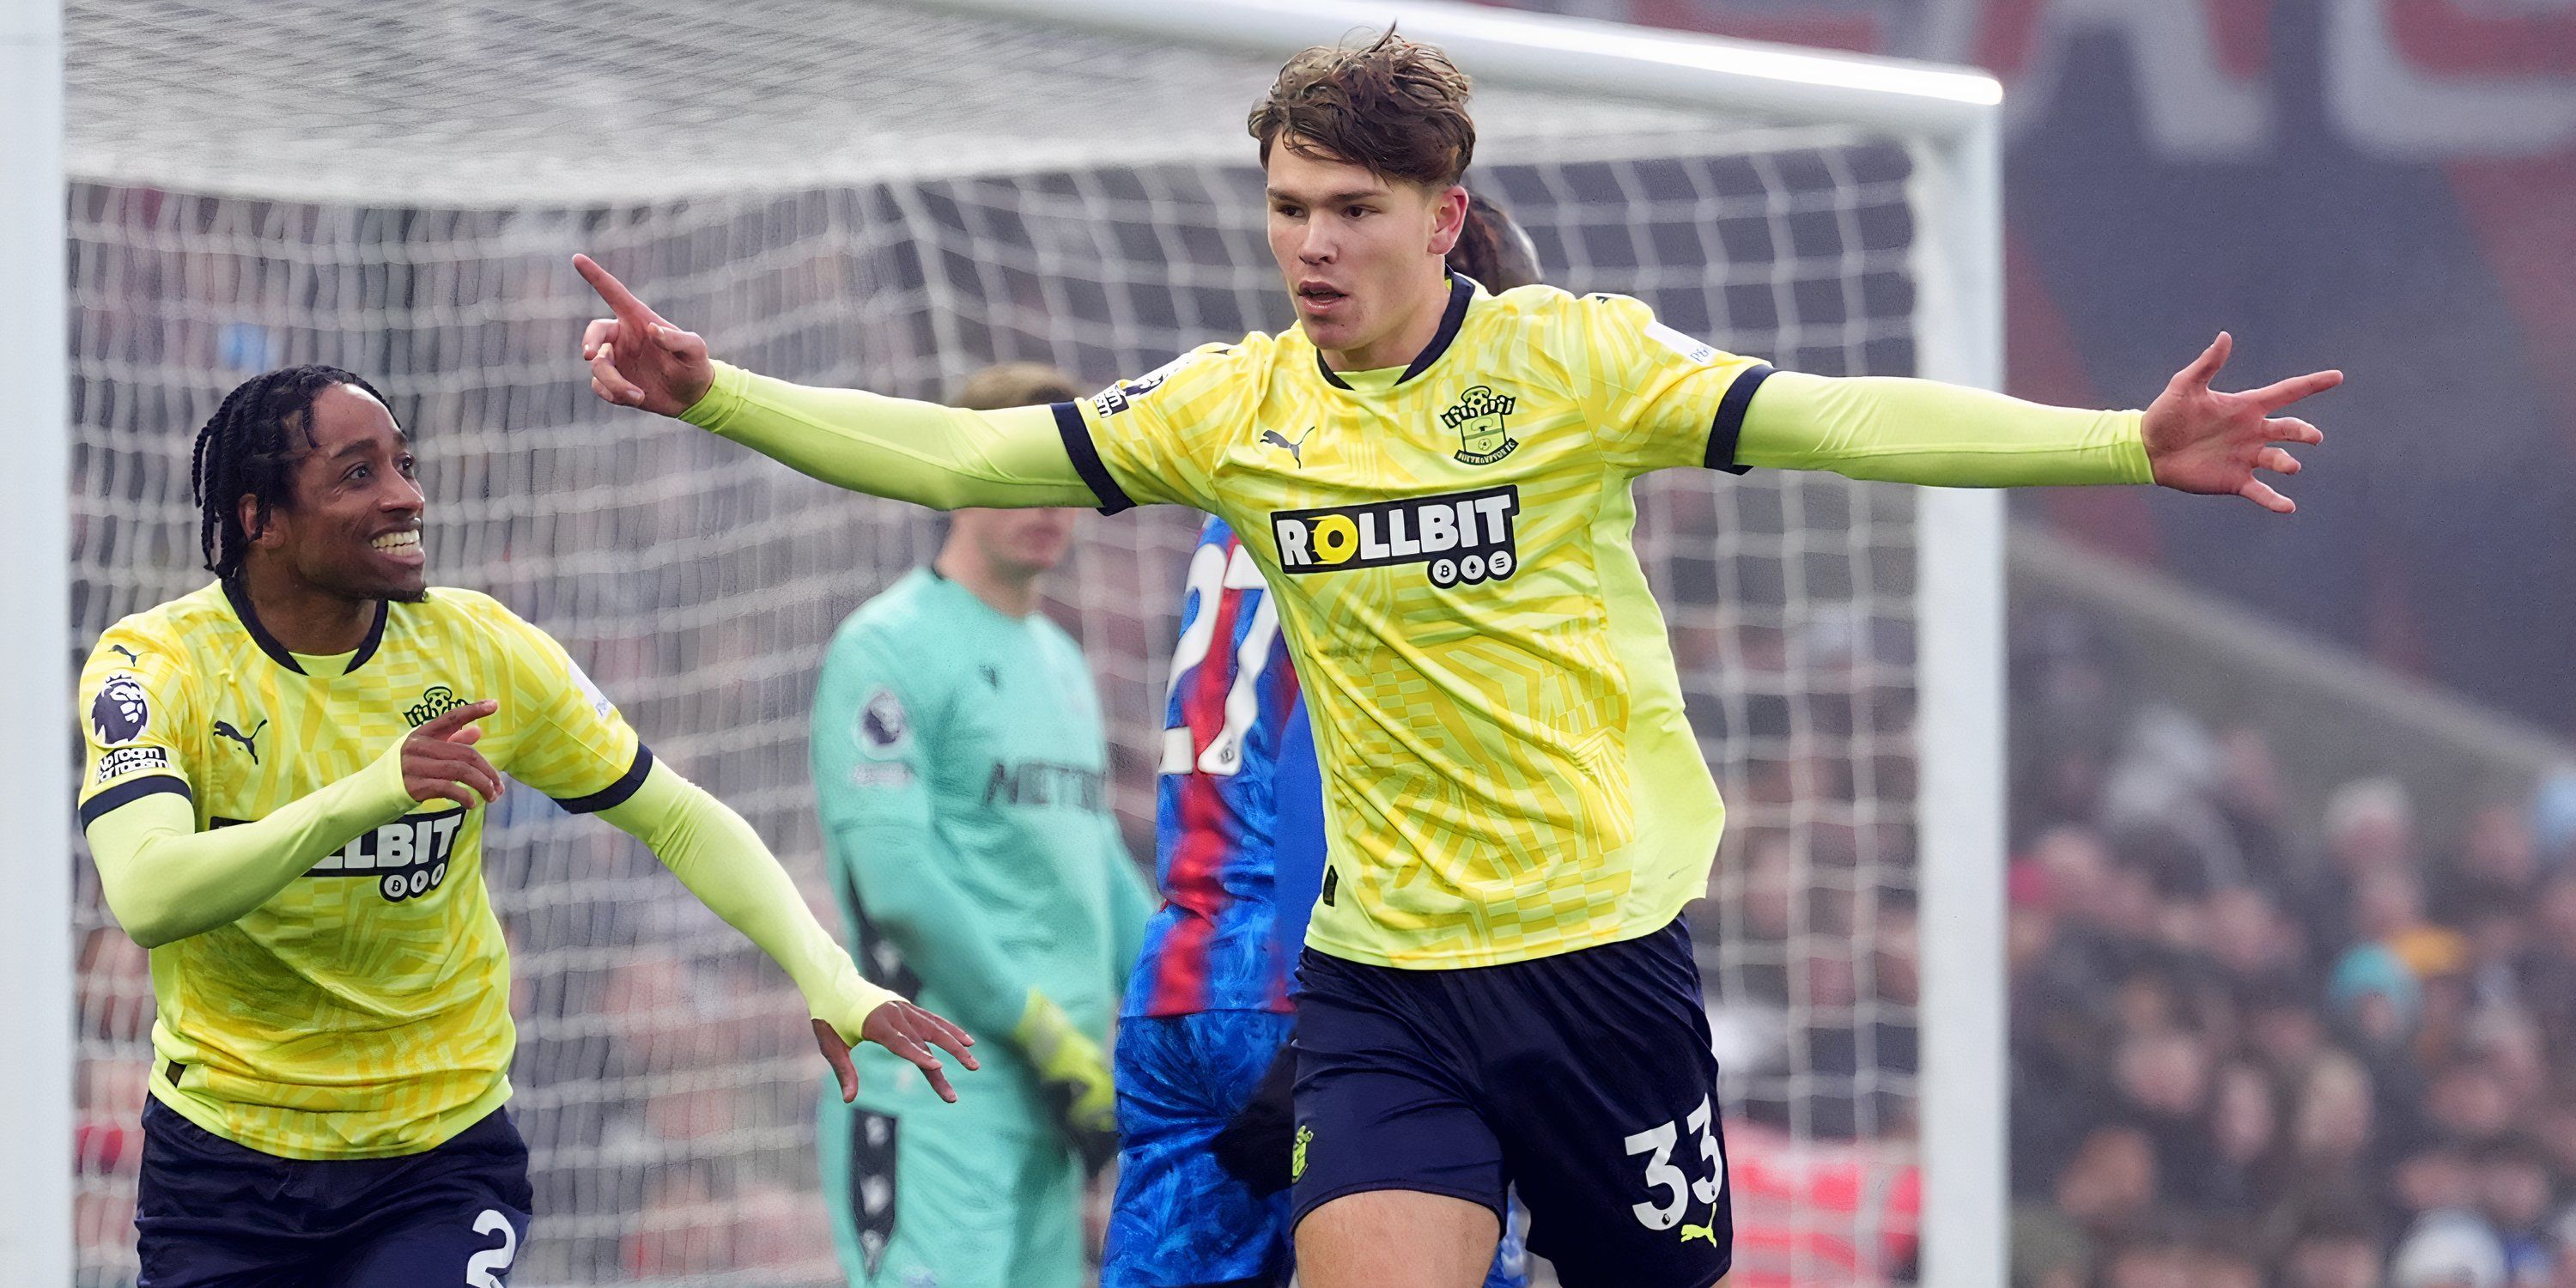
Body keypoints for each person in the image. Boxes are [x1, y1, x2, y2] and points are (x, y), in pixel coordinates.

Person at [571, 28, 2337, 1285]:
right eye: (1286, 207)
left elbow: (1845, 420)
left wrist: (2118, 441)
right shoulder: (1230, 409)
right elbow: (967, 458)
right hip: (1383, 978)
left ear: (1440, 212)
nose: (1311, 245)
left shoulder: (1574, 364)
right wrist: (716, 393)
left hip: (1600, 964)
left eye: (1348, 208)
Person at [76, 368, 973, 1287]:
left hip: (435, 1159)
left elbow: (676, 817)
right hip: (226, 1164)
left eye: (405, 464)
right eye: (358, 474)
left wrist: (826, 973)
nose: (406, 496)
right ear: (260, 516)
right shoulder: (160, 667)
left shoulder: (480, 648)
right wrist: (372, 792)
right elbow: (148, 891)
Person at [1101, 191, 1542, 1288]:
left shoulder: (1248, 457)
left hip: (1181, 985)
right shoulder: (1424, 506)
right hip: (1335, 990)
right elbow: (1365, 762)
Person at [809, 362, 1156, 1288]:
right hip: (935, 1087)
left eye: (1061, 478)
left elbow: (1100, 870)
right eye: (1016, 472)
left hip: (1059, 1100)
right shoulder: (885, 645)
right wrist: (1035, 1027)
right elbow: (898, 883)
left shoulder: (1062, 662)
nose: (1049, 501)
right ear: (952, 476)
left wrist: (1177, 1000)